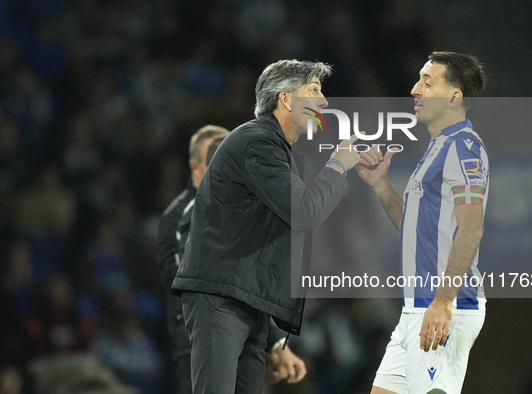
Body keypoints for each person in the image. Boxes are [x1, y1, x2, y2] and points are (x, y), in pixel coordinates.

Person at [172, 59, 360, 394]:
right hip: (221, 298)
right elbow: (305, 212)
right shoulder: (257, 142)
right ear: (287, 99)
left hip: (247, 301)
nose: (325, 102)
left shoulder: (282, 151)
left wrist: (274, 340)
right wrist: (337, 165)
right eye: (314, 91)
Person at [357, 52, 488, 394]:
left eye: (427, 82)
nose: (415, 89)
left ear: (454, 97)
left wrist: (443, 302)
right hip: (417, 307)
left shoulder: (463, 148)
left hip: (443, 303)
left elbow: (471, 227)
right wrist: (381, 186)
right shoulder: (436, 149)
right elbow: (415, 230)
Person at [158, 126, 307, 394]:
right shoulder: (182, 215)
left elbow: (246, 282)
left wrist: (274, 342)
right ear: (195, 168)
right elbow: (192, 281)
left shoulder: (242, 211)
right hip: (198, 341)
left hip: (241, 328)